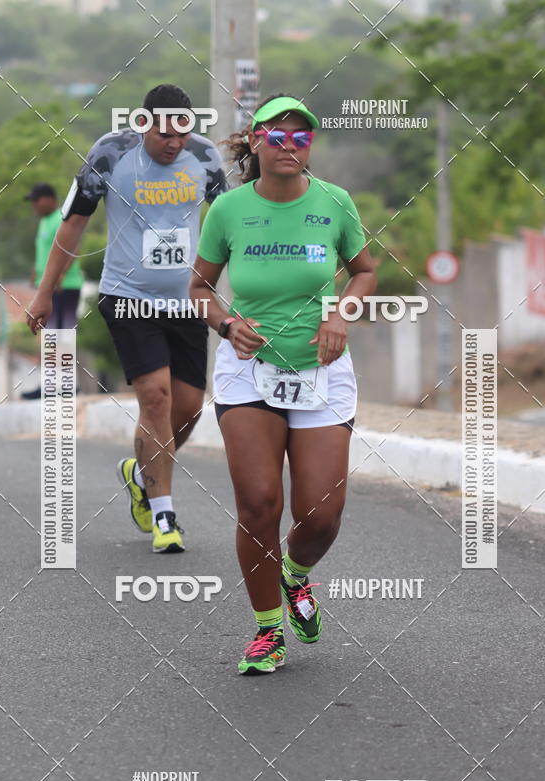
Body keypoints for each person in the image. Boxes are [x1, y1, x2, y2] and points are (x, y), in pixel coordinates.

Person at [189, 94, 376, 674]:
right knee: (259, 502)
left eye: (302, 137)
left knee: (320, 515)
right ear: (256, 142)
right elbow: (199, 288)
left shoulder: (334, 203)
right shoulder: (228, 210)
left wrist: (341, 314)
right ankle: (268, 629)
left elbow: (365, 273)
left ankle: (295, 576)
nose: (290, 146)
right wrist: (227, 323)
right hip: (249, 372)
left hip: (320, 370)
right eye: (277, 136)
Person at [26, 84, 226, 553]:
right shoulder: (110, 154)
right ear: (143, 124)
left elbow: (230, 221)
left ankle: (141, 475)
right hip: (128, 297)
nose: (174, 143)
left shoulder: (205, 157)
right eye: (163, 134)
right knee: (155, 397)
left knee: (188, 407)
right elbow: (73, 224)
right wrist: (44, 292)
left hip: (188, 301)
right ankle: (164, 515)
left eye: (181, 134)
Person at [22, 182, 84, 400]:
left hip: (64, 286)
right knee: (50, 335)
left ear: (49, 199)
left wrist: (60, 275)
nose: (34, 206)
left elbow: (74, 247)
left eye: (36, 201)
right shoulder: (44, 222)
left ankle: (66, 384)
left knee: (62, 333)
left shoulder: (60, 218)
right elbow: (46, 252)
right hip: (48, 287)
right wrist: (36, 273)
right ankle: (49, 383)